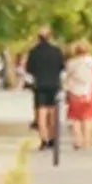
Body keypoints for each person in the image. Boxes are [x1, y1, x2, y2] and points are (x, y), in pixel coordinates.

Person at [23, 28, 66, 156]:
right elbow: (62, 68)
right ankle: (53, 138)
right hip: (54, 84)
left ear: (38, 37)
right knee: (52, 112)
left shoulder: (33, 52)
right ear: (50, 37)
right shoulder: (56, 51)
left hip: (39, 85)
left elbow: (29, 70)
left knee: (41, 112)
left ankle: (44, 140)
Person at [63, 38, 92, 152]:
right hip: (89, 93)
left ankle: (77, 140)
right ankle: (87, 141)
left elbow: (66, 77)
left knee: (75, 119)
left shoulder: (71, 63)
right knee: (88, 118)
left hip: (74, 93)